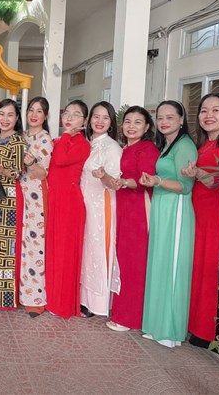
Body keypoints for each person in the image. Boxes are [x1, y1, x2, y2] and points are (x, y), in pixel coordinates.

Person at [181, 93, 219, 348]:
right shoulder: (203, 145)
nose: (208, 115)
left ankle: (218, 335)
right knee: (200, 269)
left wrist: (198, 173)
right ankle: (198, 326)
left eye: (216, 110)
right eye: (204, 110)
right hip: (200, 218)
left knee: (217, 270)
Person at [140, 100, 197, 348]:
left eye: (170, 117)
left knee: (172, 268)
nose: (164, 122)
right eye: (160, 117)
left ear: (181, 120)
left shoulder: (184, 146)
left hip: (176, 209)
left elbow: (185, 186)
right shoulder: (167, 145)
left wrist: (158, 181)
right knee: (160, 264)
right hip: (162, 207)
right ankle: (156, 325)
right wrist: (155, 181)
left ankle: (170, 331)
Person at [106, 106, 160, 332]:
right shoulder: (126, 148)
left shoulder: (147, 149)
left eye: (138, 122)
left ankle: (130, 318)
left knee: (134, 261)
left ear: (147, 127)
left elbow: (144, 180)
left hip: (138, 208)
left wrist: (125, 182)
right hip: (123, 205)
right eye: (128, 121)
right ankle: (120, 311)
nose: (131, 126)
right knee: (123, 259)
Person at [45, 100, 91, 319]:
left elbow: (62, 160)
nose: (70, 118)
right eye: (67, 113)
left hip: (69, 202)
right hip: (54, 198)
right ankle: (51, 298)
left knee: (65, 253)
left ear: (85, 121)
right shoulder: (57, 140)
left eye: (76, 114)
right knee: (53, 250)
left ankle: (62, 304)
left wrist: (65, 136)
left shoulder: (82, 144)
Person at [79, 101, 123, 318]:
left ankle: (97, 302)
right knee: (86, 250)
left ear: (111, 122)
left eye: (105, 117)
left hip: (101, 205)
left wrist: (103, 176)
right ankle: (83, 298)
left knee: (98, 250)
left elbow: (114, 183)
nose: (100, 121)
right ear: (89, 120)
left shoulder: (112, 147)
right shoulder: (88, 144)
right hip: (84, 204)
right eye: (96, 116)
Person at [17, 97, 53, 317]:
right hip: (18, 193)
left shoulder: (45, 140)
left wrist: (30, 163)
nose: (34, 114)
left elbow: (42, 174)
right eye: (31, 110)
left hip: (36, 197)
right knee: (19, 244)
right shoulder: (21, 136)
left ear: (45, 116)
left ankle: (35, 299)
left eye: (39, 111)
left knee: (34, 245)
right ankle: (19, 293)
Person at [0, 99, 26, 310]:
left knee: (6, 247)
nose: (5, 119)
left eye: (10, 115)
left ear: (17, 118)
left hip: (8, 199)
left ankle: (5, 297)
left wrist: (3, 171)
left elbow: (19, 172)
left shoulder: (17, 141)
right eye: (1, 114)